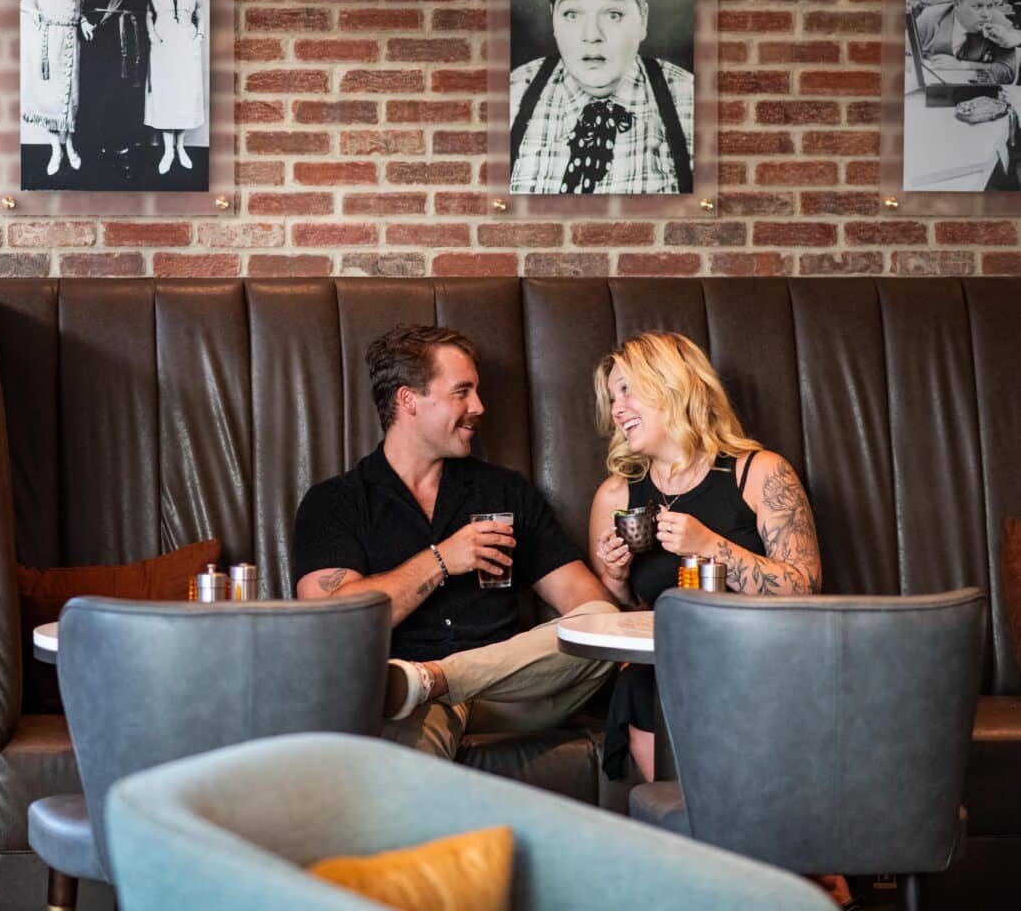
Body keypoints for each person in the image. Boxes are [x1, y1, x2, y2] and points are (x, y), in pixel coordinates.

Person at [586, 332, 853, 909]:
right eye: (613, 397)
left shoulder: (757, 473)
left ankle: (800, 882)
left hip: (765, 667)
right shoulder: (616, 495)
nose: (618, 409)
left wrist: (713, 547)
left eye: (629, 390)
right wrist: (610, 574)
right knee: (639, 684)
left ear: (675, 387)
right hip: (668, 674)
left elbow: (805, 584)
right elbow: (620, 616)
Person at [294, 324, 619, 760]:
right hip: (403, 701)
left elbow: (588, 605)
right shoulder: (337, 502)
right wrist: (441, 559)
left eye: (477, 392)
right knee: (416, 717)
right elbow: (329, 620)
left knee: (600, 621)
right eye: (461, 392)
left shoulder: (504, 492)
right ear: (408, 400)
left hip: (508, 694)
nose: (479, 406)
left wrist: (615, 578)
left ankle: (432, 678)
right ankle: (424, 689)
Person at [509, 0, 693, 195]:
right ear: (553, 18)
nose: (592, 35)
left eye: (613, 14)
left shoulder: (691, 103)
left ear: (642, 19)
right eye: (572, 14)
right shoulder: (511, 96)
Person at [76, 0, 156, 178]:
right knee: (99, 95)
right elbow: (71, 1)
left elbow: (156, 9)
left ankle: (126, 151)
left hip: (132, 46)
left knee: (128, 96)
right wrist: (82, 21)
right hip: (99, 47)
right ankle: (100, 152)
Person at [20, 0, 85, 176]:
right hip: (47, 45)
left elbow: (82, 11)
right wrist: (32, 10)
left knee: (68, 98)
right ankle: (55, 150)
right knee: (48, 98)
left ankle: (70, 146)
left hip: (70, 41)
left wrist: (84, 22)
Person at [144, 0, 205, 175]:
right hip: (162, 42)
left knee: (185, 94)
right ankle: (167, 150)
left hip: (186, 42)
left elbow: (200, 11)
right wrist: (152, 36)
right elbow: (149, 12)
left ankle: (181, 147)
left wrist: (199, 36)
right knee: (164, 93)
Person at [912, 0, 1020, 84]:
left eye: (990, 6)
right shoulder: (931, 17)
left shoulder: (999, 23)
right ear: (956, 3)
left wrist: (963, 66)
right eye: (978, 6)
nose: (986, 15)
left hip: (975, 93)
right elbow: (906, 54)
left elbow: (1008, 72)